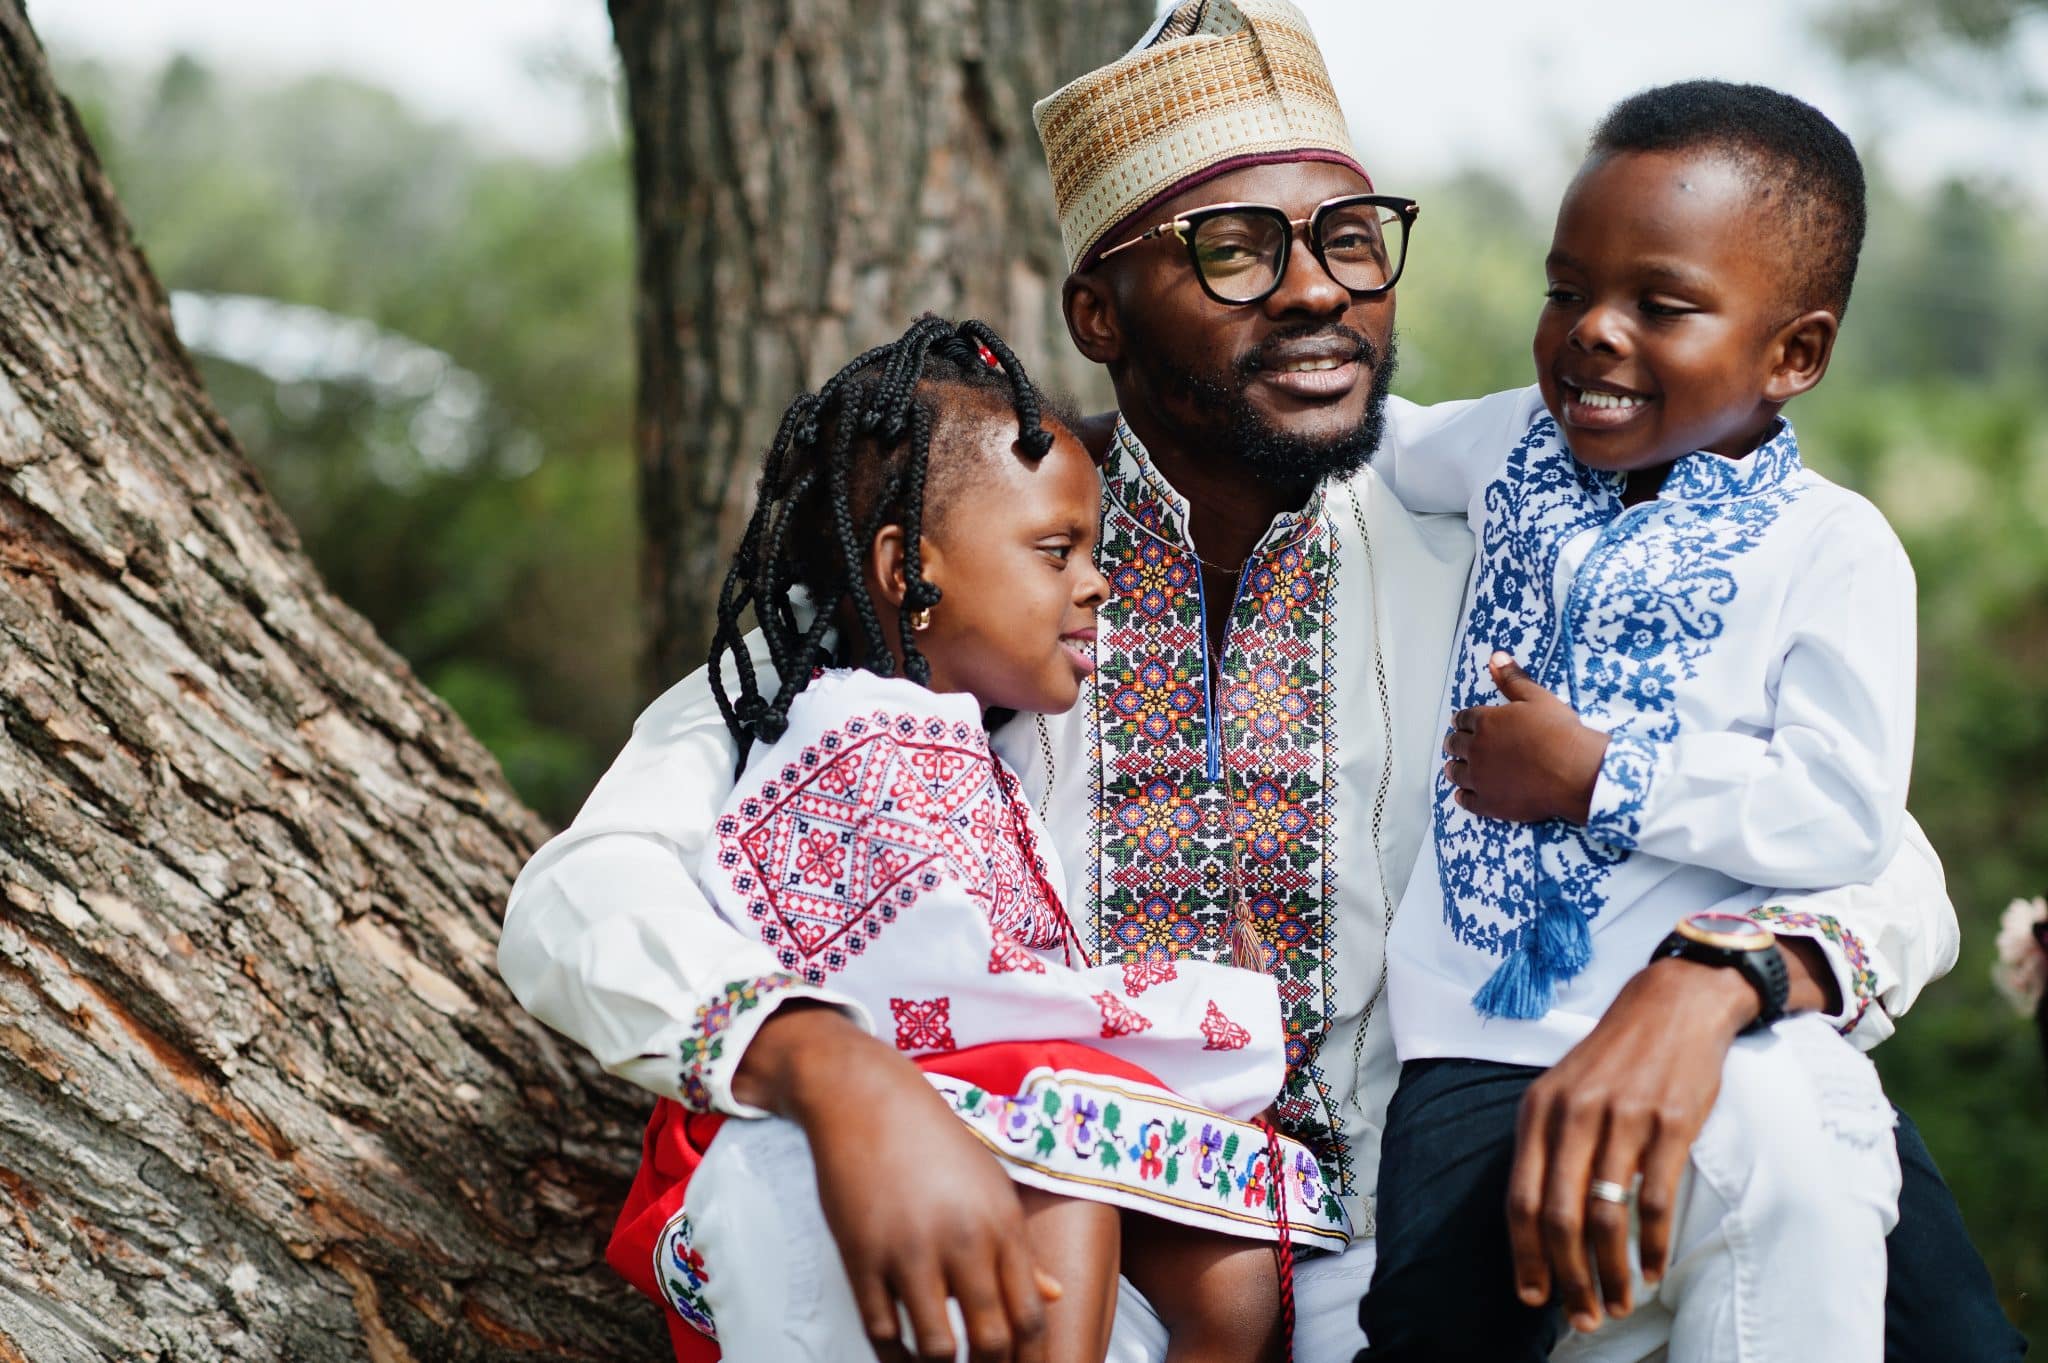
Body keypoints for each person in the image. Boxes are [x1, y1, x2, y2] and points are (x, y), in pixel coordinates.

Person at [499, 4, 2009, 1360]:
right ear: (1102, 313)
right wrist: (821, 1063)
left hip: (1421, 1244)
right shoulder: (974, 551)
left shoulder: (1498, 526)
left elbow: (1886, 861)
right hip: (1075, 1253)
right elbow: (592, 885)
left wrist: (1722, 977)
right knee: (779, 1175)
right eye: (1235, 248)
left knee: (1786, 1111)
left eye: (1351, 240)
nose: (1317, 294)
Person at [608, 313, 1332, 1362]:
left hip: (986, 1084)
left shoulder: (957, 739)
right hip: (825, 1114)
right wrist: (1194, 1005)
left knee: (1228, 1280)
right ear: (910, 570)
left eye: (1094, 552)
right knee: (1069, 1185)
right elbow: (933, 988)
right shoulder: (840, 738)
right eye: (1055, 552)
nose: (1095, 583)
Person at [1356, 81, 1913, 1362]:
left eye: (1659, 306)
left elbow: (1840, 810)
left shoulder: (1832, 548)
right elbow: (1363, 439)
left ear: (1793, 353)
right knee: (1430, 1327)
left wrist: (1598, 774)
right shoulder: (1505, 447)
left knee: (1913, 1306)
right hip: (1469, 1050)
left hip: (1711, 1047)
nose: (1592, 333)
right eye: (1565, 291)